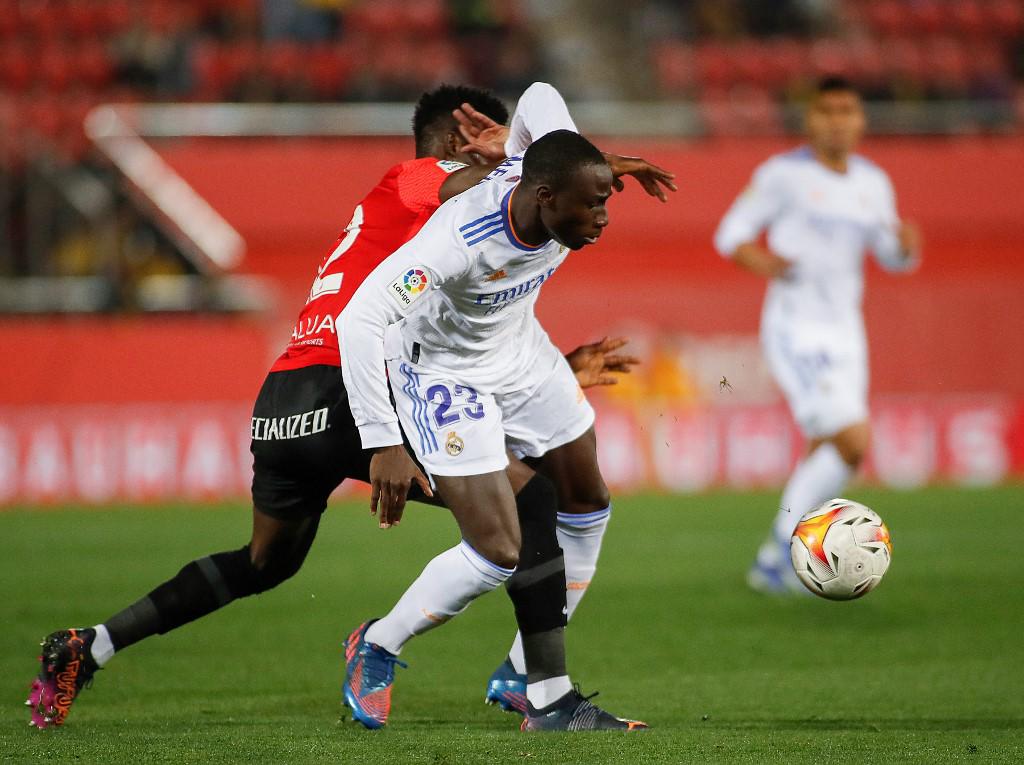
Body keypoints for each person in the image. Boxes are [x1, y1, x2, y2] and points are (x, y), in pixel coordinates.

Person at [26, 83, 665, 730]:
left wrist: (549, 368)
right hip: (351, 386)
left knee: (264, 561)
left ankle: (92, 643)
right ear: (454, 143)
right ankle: (507, 678)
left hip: (286, 393)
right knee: (526, 509)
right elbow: (488, 204)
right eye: (489, 140)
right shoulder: (430, 178)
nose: (506, 154)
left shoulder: (403, 205)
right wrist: (509, 159)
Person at [337, 85, 671, 730]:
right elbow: (362, 320)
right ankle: (375, 644)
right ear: (545, 198)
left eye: (605, 201)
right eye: (594, 204)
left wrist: (602, 163)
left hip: (520, 355)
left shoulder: (546, 172)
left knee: (587, 500)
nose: (603, 217)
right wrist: (384, 441)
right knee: (498, 550)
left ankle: (531, 681)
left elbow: (543, 96)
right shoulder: (462, 237)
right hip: (442, 375)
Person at [713, 76, 921, 594]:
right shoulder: (783, 175)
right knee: (852, 440)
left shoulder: (873, 182)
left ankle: (772, 558)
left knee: (835, 445)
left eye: (847, 110)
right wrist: (766, 262)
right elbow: (730, 234)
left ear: (861, 120)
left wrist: (905, 246)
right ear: (810, 120)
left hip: (847, 331)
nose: (837, 120)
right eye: (827, 111)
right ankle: (787, 549)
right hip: (796, 328)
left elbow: (892, 259)